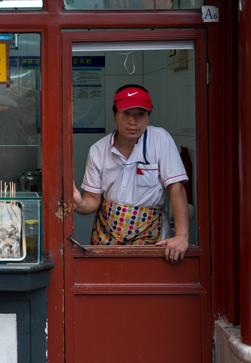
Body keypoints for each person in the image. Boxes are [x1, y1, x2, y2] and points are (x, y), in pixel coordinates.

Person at [72, 84, 190, 264]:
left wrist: (182, 236)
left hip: (151, 236)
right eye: (126, 113)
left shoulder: (160, 140)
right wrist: (79, 204)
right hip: (107, 235)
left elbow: (176, 187)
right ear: (114, 115)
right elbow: (92, 199)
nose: (133, 121)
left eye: (140, 114)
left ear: (148, 116)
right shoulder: (98, 150)